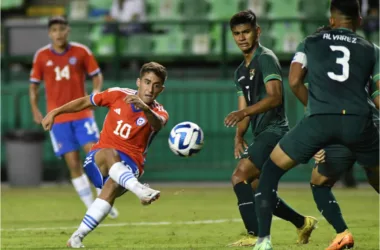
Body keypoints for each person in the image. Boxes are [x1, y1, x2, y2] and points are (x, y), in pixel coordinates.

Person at [251, 0, 380, 249]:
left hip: (319, 120)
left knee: (271, 172)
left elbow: (295, 80)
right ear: (360, 22)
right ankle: (342, 234)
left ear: (331, 20)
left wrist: (317, 109)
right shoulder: (372, 49)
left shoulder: (310, 42)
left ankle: (264, 241)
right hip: (360, 122)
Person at [41, 62, 168, 248]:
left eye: (156, 85)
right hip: (99, 159)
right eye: (147, 82)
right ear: (138, 82)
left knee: (111, 189)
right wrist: (56, 112)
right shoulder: (117, 94)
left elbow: (157, 124)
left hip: (131, 167)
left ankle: (77, 237)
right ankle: (140, 190)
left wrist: (145, 109)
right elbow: (86, 101)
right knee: (110, 152)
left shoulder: (159, 112)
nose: (150, 89)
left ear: (161, 89)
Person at [224, 10, 317, 247]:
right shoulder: (239, 72)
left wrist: (243, 113)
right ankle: (302, 222)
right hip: (261, 133)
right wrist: (238, 135)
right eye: (237, 34)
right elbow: (243, 106)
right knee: (257, 188)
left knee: (239, 176)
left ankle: (255, 234)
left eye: (246, 32)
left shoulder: (266, 58)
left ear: (257, 31)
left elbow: (275, 97)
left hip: (275, 131)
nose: (242, 37)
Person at [29, 16, 118, 218]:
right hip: (58, 118)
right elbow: (33, 85)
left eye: (62, 29)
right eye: (54, 30)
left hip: (82, 113)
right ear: (49, 33)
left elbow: (96, 74)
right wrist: (35, 109)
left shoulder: (81, 51)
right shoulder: (41, 56)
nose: (58, 33)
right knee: (73, 162)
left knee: (95, 154)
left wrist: (96, 93)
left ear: (68, 30)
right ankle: (91, 206)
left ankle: (103, 197)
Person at [306, 27, 379, 249]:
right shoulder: (364, 55)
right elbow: (375, 94)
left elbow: (319, 109)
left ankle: (342, 232)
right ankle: (342, 234)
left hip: (344, 129)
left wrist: (318, 141)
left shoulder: (321, 72)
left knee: (319, 183)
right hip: (367, 126)